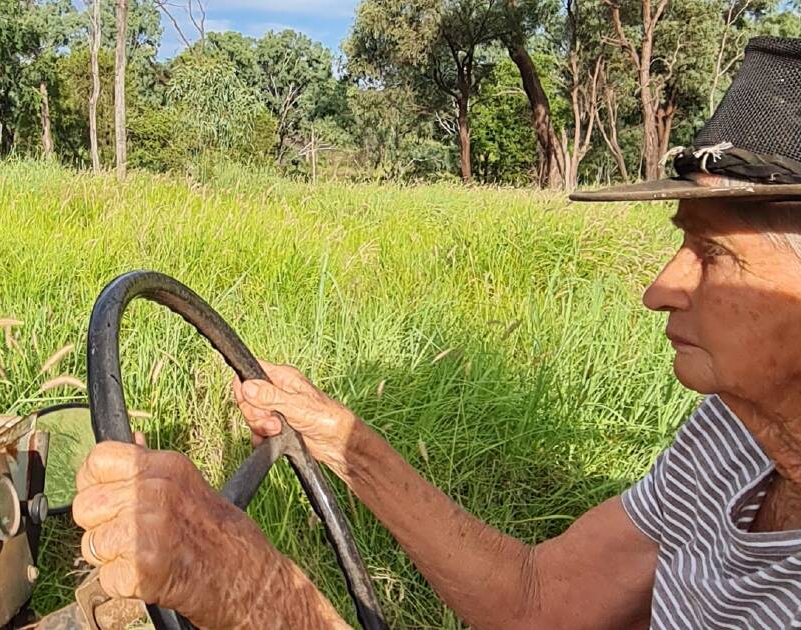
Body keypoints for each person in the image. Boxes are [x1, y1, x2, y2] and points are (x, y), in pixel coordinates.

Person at [72, 36, 801, 629]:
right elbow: (536, 597)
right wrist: (332, 433)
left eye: (713, 254)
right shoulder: (734, 437)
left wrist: (258, 594)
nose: (659, 288)